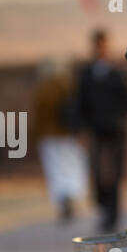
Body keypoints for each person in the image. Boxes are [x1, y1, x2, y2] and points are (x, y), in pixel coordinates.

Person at [75, 29, 127, 232]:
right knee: (98, 172)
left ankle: (113, 214)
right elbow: (81, 103)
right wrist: (81, 129)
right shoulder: (87, 74)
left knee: (115, 173)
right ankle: (103, 206)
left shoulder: (117, 72)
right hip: (96, 130)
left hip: (116, 130)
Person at [31, 58, 88, 222]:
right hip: (67, 133)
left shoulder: (42, 89)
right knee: (71, 165)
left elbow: (39, 115)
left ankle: (62, 198)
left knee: (55, 168)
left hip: (49, 134)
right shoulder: (68, 86)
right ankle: (71, 194)